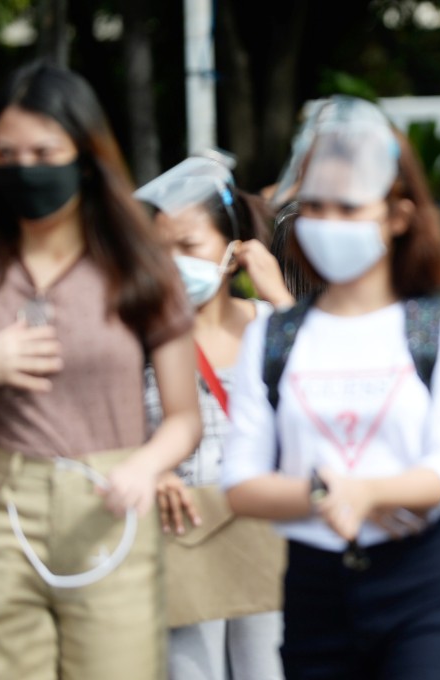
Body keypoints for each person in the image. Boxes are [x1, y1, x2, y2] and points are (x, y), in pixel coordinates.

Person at [0, 61, 201, 679]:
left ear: (85, 154)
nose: (25, 167)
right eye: (6, 153)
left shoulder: (143, 273)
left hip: (111, 503)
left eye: (44, 151)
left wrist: (144, 468)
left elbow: (183, 418)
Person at [221, 96, 440, 678]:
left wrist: (365, 494)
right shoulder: (271, 336)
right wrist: (328, 495)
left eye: (349, 207)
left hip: (424, 589)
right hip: (314, 591)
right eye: (314, 206)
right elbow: (240, 480)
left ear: (397, 215)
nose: (328, 223)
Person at [135, 152, 292, 679]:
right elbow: (114, 427)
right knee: (189, 670)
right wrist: (151, 472)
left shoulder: (274, 325)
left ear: (231, 251)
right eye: (160, 252)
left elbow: (326, 403)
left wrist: (278, 295)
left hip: (267, 527)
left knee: (266, 668)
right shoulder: (141, 339)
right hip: (180, 526)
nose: (172, 264)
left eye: (187, 247)